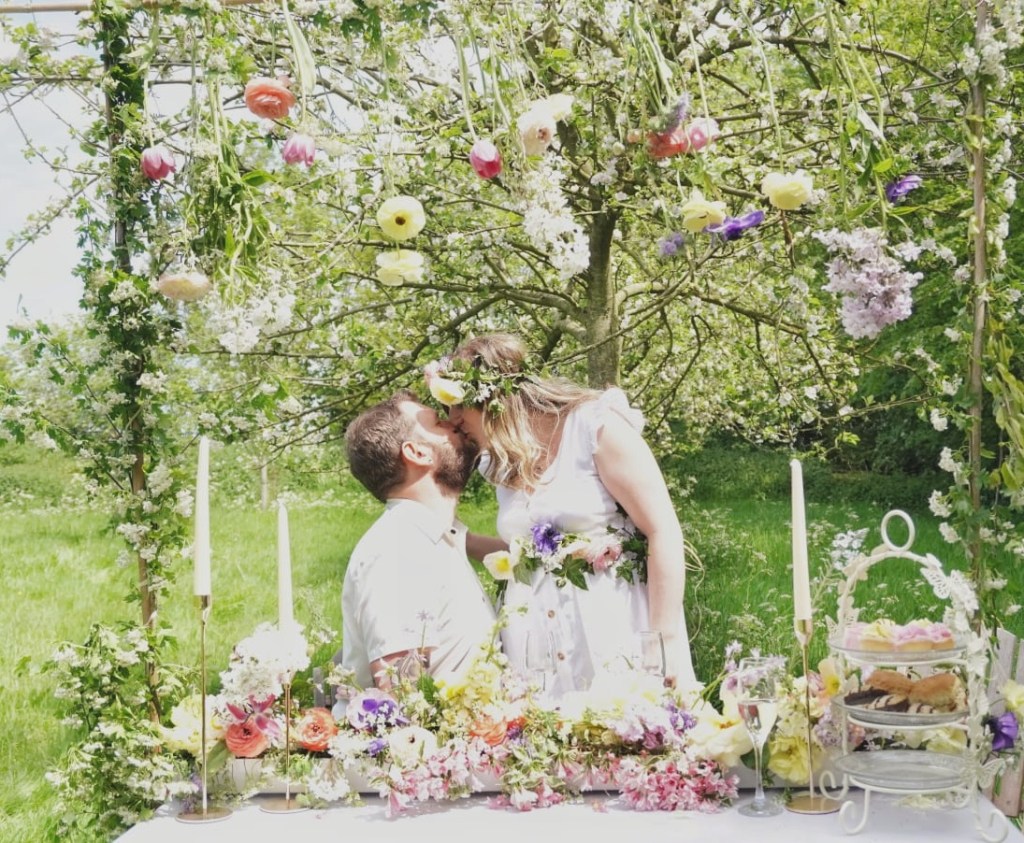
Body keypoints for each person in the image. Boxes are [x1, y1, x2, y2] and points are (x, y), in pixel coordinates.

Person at [425, 333, 698, 695]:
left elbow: (662, 531)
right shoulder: (499, 462)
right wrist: (452, 534)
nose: (453, 419)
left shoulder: (594, 427)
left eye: (457, 406)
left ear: (493, 397)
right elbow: (527, 553)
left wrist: (661, 643)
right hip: (535, 641)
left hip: (613, 626)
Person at [341, 389, 498, 690]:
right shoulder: (398, 550)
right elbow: (401, 691)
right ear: (417, 452)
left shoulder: (434, 538)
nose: (455, 422)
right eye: (439, 423)